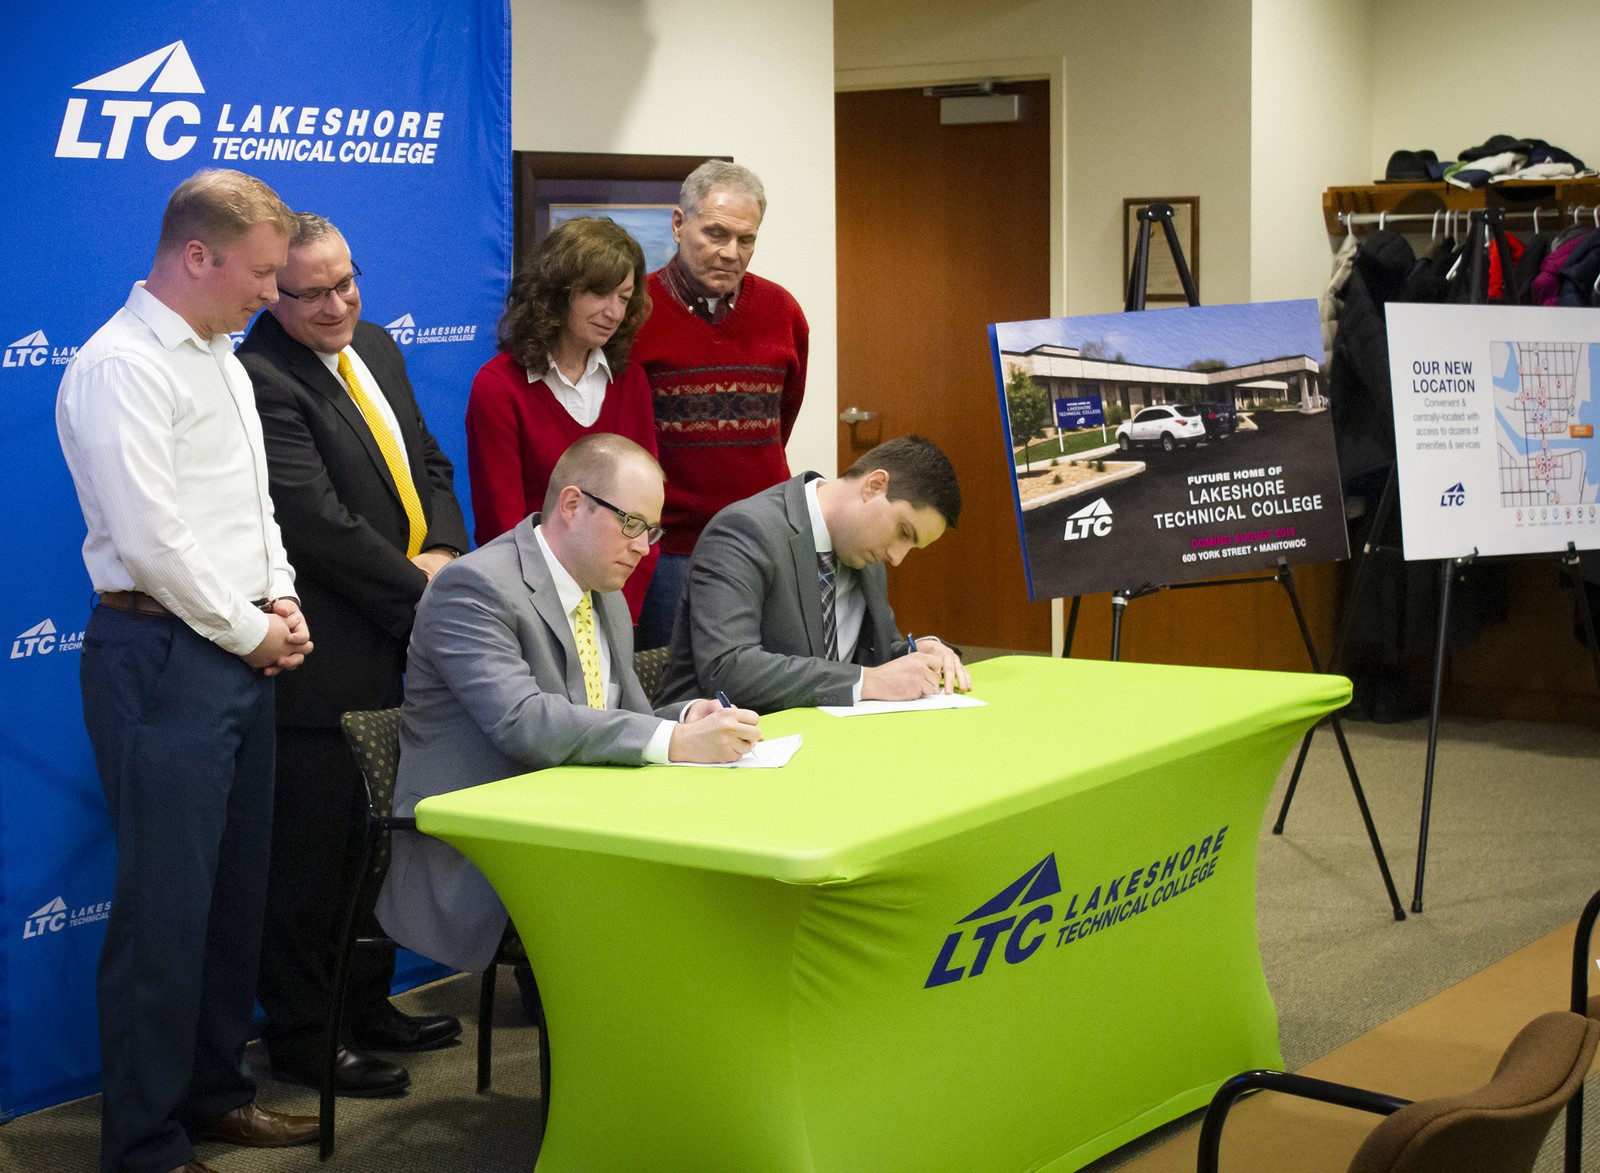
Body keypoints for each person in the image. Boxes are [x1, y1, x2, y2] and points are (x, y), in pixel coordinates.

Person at [55, 169, 319, 1173]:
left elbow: (248, 515)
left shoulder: (221, 357)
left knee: (229, 896)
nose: (271, 294)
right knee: (164, 911)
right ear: (195, 255)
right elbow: (154, 541)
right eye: (259, 273)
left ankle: (214, 1096)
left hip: (232, 643)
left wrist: (280, 598)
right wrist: (248, 630)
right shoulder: (124, 366)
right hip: (163, 651)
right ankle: (146, 1142)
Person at [375, 434, 761, 974]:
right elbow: (523, 721)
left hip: (580, 822)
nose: (643, 547)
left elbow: (620, 716)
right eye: (631, 524)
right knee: (681, 901)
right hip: (490, 843)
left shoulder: (602, 591)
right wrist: (673, 741)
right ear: (573, 505)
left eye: (651, 531)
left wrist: (687, 718)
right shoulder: (474, 587)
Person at [236, 213, 469, 1098]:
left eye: (347, 282)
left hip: (408, 636)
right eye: (311, 293)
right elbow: (315, 524)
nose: (337, 305)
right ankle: (305, 1033)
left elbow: (432, 465)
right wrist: (431, 593)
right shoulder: (260, 376)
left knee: (380, 848)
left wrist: (443, 556)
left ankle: (367, 1004)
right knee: (313, 859)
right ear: (273, 293)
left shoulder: (375, 343)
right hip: (327, 657)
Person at [630, 160, 809, 647]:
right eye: (715, 233)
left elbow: (781, 419)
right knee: (671, 691)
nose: (731, 253)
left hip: (764, 544)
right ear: (678, 225)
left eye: (746, 240)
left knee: (771, 687)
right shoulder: (633, 313)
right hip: (668, 551)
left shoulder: (782, 312)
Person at [658, 435, 970, 714]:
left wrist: (919, 654)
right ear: (874, 486)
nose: (897, 557)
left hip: (825, 739)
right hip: (722, 746)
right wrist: (870, 681)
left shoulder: (866, 550)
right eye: (903, 532)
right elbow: (727, 668)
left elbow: (877, 652)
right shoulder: (746, 530)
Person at [466, 216, 659, 621]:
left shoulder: (632, 381)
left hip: (617, 603)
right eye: (599, 293)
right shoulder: (499, 386)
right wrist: (549, 616)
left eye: (624, 298)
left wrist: (621, 613)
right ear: (557, 292)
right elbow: (501, 527)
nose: (613, 312)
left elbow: (647, 510)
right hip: (532, 608)